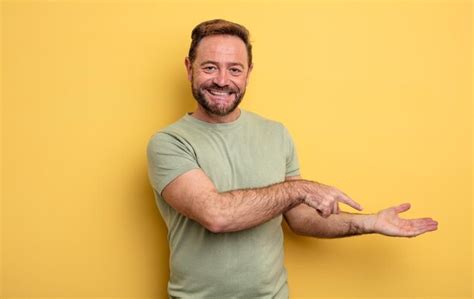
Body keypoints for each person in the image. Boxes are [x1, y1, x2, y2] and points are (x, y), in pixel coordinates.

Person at [147, 19, 438, 298]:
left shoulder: (276, 134)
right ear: (189, 68)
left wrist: (369, 222)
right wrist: (299, 189)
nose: (223, 81)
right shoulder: (169, 143)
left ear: (248, 71)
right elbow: (217, 215)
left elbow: (300, 219)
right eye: (210, 67)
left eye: (235, 69)